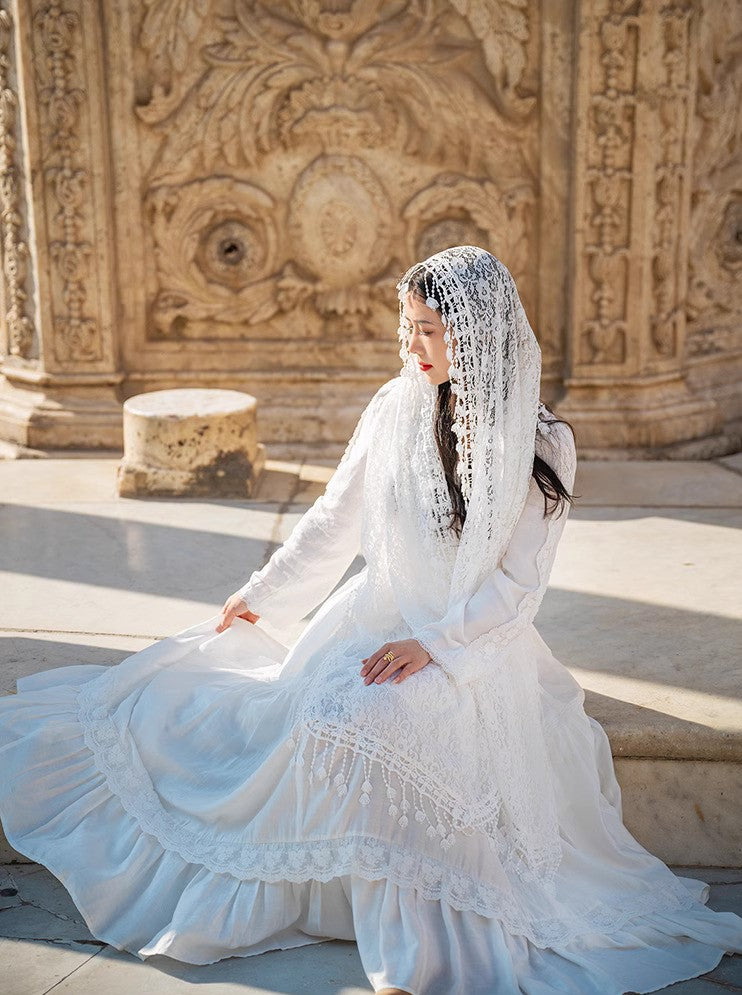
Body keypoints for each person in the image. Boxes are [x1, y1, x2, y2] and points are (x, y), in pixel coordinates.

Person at [0, 246, 740, 995]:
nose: (411, 347)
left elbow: (519, 587)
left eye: (427, 331)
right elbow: (334, 521)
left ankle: (413, 950)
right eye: (409, 327)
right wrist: (265, 591)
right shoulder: (394, 409)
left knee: (384, 719)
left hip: (473, 647)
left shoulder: (543, 441)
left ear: (476, 334)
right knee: (328, 709)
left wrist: (435, 644)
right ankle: (362, 908)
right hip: (378, 618)